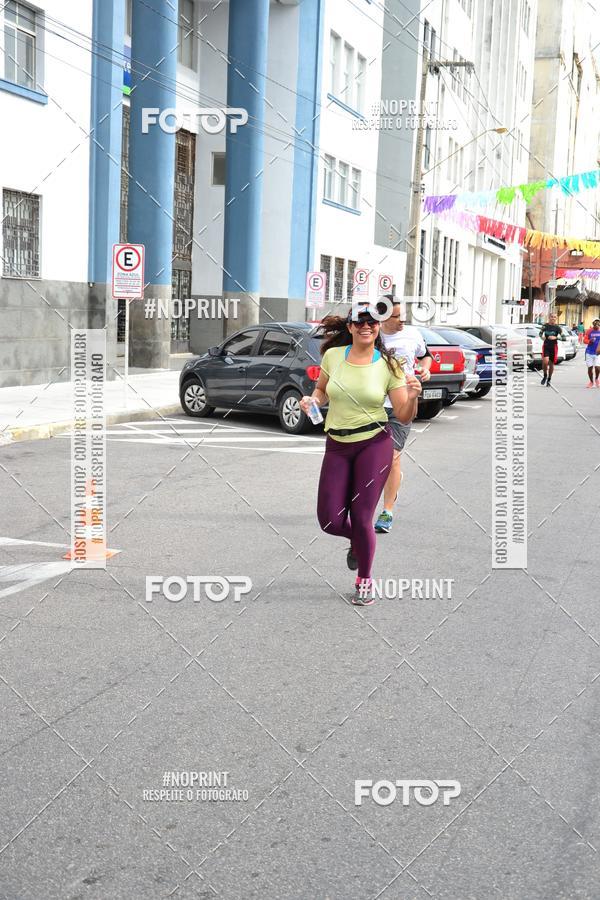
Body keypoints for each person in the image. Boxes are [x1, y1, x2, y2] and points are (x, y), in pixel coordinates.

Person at [300, 302, 422, 606]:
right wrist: (312, 400)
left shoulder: (389, 365)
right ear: (350, 326)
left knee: (362, 516)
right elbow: (322, 391)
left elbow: (404, 415)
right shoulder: (332, 356)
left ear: (378, 327)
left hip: (374, 444)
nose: (366, 326)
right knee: (329, 520)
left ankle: (364, 581)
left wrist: (413, 397)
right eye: (360, 321)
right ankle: (358, 541)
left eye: (373, 322)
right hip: (337, 444)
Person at [373, 297, 432, 533]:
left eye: (403, 315)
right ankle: (389, 483)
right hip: (372, 405)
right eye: (397, 316)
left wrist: (425, 369)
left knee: (392, 457)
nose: (402, 320)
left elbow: (426, 355)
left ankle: (387, 511)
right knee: (372, 459)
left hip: (401, 404)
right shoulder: (372, 336)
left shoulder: (413, 334)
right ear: (382, 318)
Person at [539, 313, 562, 386]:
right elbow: (540, 334)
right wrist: (542, 337)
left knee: (551, 364)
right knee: (545, 361)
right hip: (546, 345)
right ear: (549, 317)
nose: (553, 318)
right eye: (552, 317)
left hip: (553, 347)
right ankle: (545, 375)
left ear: (556, 318)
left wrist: (556, 337)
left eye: (555, 317)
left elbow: (564, 337)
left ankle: (549, 379)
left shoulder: (558, 327)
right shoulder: (545, 326)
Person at [583, 319, 600, 387]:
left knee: (597, 367)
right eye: (595, 322)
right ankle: (591, 382)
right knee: (590, 368)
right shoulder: (589, 331)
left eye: (598, 322)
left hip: (598, 352)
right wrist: (589, 341)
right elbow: (584, 340)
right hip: (589, 352)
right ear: (593, 323)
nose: (596, 324)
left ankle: (596, 379)